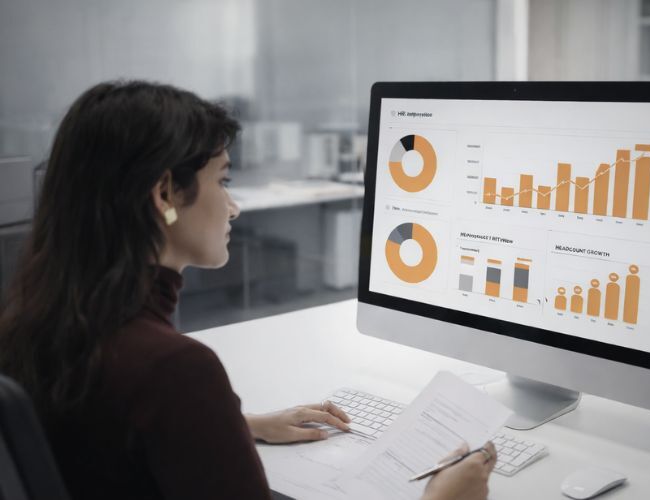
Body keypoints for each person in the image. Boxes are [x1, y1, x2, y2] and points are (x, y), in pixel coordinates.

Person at [0, 80, 496, 500]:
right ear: (166, 194)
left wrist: (235, 424)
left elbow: (108, 437)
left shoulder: (35, 319)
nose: (233, 207)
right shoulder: (174, 370)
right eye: (223, 180)